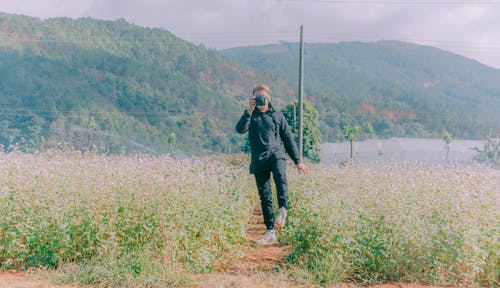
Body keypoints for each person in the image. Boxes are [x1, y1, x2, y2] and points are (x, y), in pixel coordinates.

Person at [235, 84, 308, 246]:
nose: (260, 99)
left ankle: (283, 209)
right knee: (265, 196)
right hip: (259, 159)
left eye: (263, 97)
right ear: (252, 99)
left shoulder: (278, 115)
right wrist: (249, 111)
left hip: (276, 154)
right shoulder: (250, 116)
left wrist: (298, 161)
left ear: (269, 98)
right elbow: (240, 129)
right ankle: (270, 232)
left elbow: (288, 139)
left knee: (281, 178)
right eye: (257, 97)